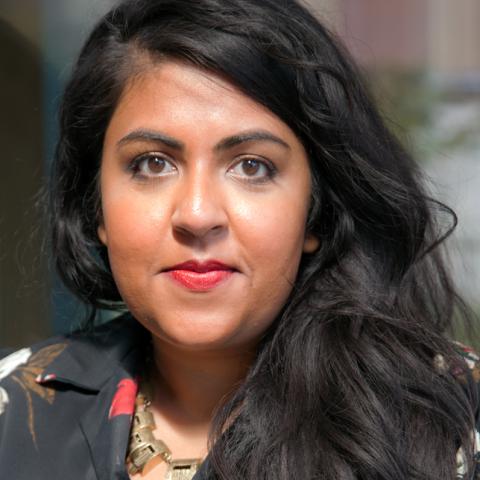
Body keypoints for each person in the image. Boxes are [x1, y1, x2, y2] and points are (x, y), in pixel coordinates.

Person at [0, 0, 479, 478]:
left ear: (316, 213)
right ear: (95, 203)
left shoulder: (455, 418)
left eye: (252, 166)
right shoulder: (12, 408)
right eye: (152, 163)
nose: (197, 214)